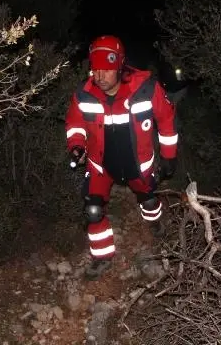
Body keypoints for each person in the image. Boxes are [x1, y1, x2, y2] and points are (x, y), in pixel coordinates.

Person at [65, 35, 179, 280]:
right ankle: (102, 256)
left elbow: (167, 121)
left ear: (119, 66)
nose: (100, 76)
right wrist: (76, 144)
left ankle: (154, 220)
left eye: (106, 69)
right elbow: (75, 123)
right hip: (100, 164)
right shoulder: (84, 94)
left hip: (138, 164)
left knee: (148, 200)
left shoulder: (146, 89)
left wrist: (169, 157)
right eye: (96, 69)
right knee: (93, 209)